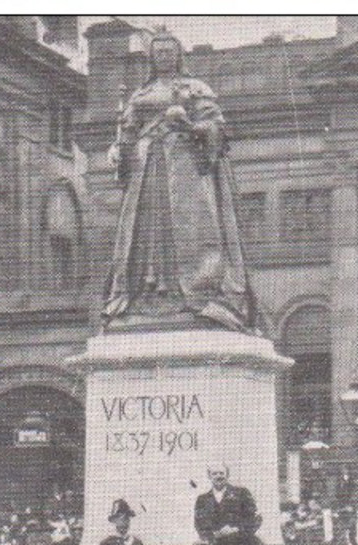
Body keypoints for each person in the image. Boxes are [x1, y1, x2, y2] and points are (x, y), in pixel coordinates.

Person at [103, 32, 255, 332]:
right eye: (157, 52)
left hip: (184, 166)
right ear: (151, 57)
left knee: (191, 228)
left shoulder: (196, 88)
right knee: (144, 228)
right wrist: (116, 149)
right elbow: (127, 130)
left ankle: (197, 293)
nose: (163, 56)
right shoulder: (140, 94)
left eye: (168, 51)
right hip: (146, 167)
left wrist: (188, 124)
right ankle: (145, 294)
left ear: (179, 55)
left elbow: (217, 130)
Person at [194, 466, 265, 545]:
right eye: (214, 473)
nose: (218, 476)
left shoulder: (241, 493)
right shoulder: (203, 499)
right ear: (209, 477)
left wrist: (236, 529)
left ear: (227, 475)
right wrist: (213, 534)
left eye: (221, 473)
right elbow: (199, 523)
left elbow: (255, 519)